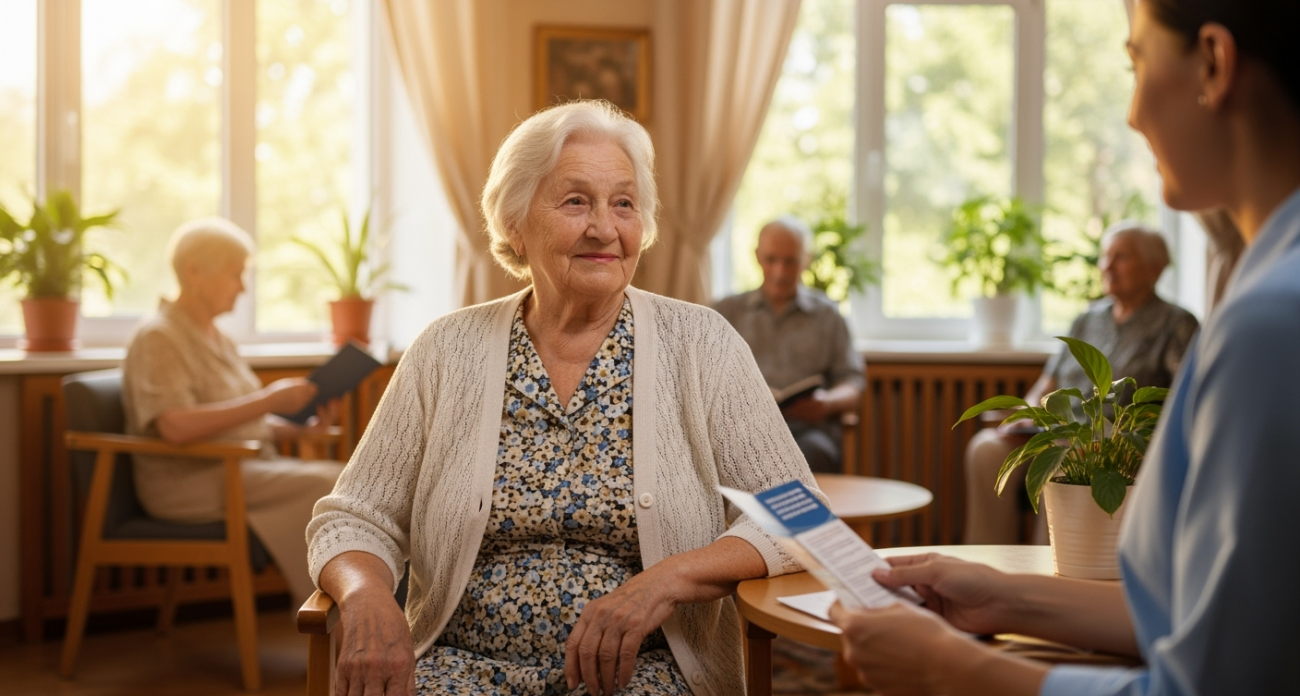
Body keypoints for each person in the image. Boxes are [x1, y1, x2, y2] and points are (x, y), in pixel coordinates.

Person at [829, 0, 1300, 693]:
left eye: (1136, 60)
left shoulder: (1269, 322)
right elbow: (1208, 617)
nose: (1134, 112)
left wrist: (951, 670)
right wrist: (1006, 595)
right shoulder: (1262, 291)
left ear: (1214, 63)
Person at [307, 100, 819, 696]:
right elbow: (353, 516)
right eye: (576, 201)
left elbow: (801, 515)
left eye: (624, 204)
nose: (604, 228)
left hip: (644, 672)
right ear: (516, 224)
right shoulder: (446, 350)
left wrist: (664, 581)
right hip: (458, 666)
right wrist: (367, 595)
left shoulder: (702, 343)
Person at [121, 217, 345, 605]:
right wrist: (269, 400)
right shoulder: (158, 336)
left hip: (238, 466)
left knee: (345, 483)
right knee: (333, 487)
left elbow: (241, 423)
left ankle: (343, 623)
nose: (242, 288)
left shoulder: (217, 337)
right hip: (187, 478)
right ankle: (337, 627)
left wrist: (297, 430)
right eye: (234, 274)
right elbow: (174, 426)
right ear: (194, 272)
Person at [964, 222, 1198, 544]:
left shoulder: (1176, 323)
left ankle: (1047, 573)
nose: (1107, 266)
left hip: (1115, 444)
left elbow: (1184, 398)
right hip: (1057, 433)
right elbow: (1046, 384)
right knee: (986, 449)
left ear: (1155, 268)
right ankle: (987, 563)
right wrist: (1023, 416)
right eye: (1105, 257)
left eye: (1121, 257)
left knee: (1066, 455)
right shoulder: (1086, 319)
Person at [713, 217, 865, 473]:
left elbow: (853, 382)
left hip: (808, 433)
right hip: (741, 432)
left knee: (806, 457)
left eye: (790, 261)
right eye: (771, 260)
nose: (780, 272)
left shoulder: (828, 316)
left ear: (806, 259)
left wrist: (826, 402)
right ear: (757, 257)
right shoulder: (726, 312)